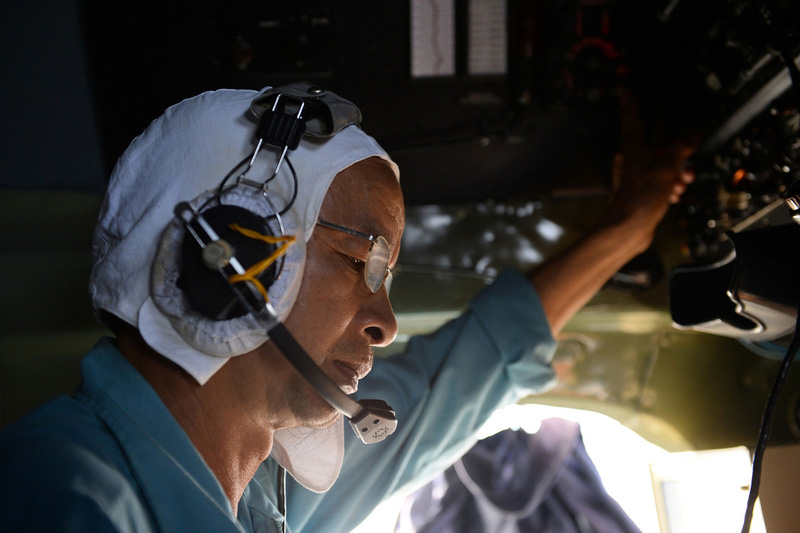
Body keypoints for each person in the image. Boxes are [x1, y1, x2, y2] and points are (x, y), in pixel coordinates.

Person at [0, 83, 692, 533]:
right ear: (224, 255)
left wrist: (626, 231)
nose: (386, 324)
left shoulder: (265, 498)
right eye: (362, 264)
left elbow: (460, 377)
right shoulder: (58, 494)